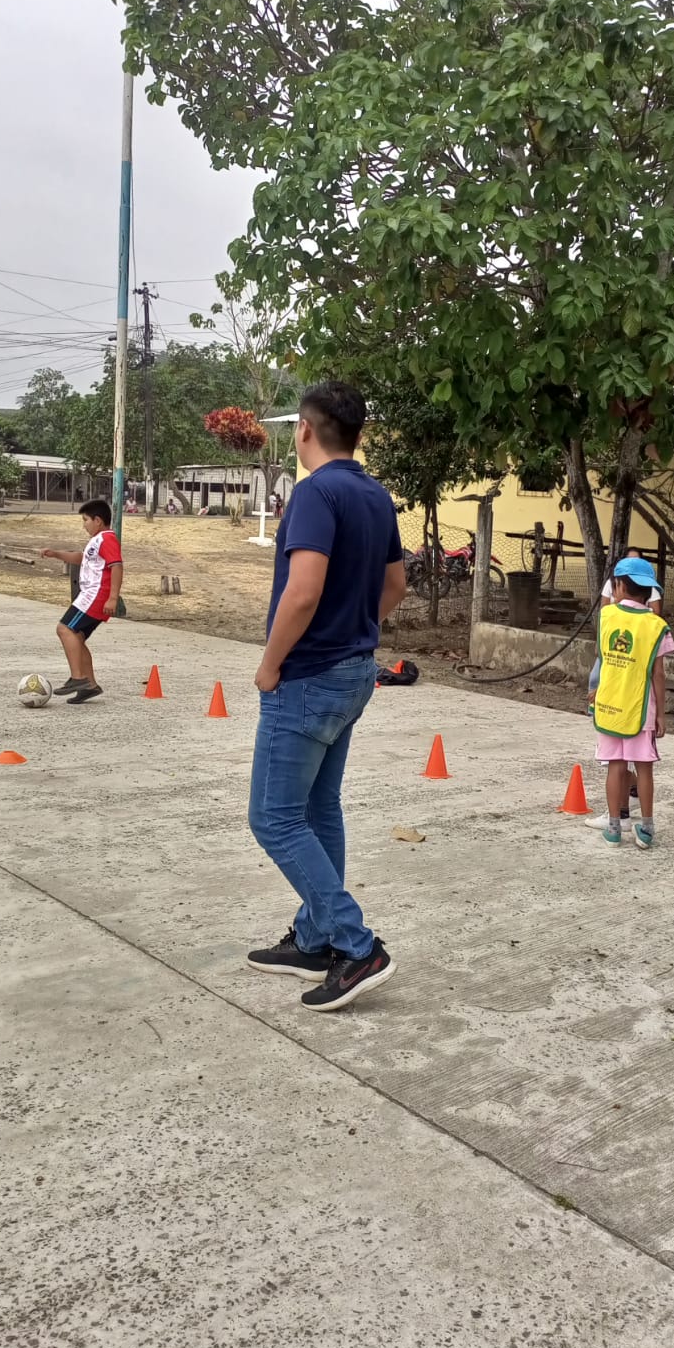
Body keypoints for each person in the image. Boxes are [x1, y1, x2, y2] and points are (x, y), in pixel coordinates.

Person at [246, 381, 407, 1013]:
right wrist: (355, 629)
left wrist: (270, 664)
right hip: (354, 670)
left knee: (273, 817)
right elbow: (394, 585)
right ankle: (315, 939)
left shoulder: (315, 493)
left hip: (308, 675)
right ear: (358, 435)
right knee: (318, 808)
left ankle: (355, 944)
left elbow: (304, 590)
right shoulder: (374, 495)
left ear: (305, 430)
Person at [590, 556, 674, 850]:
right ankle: (647, 828)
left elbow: (603, 658)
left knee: (615, 766)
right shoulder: (656, 625)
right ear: (648, 591)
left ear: (619, 585)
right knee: (644, 768)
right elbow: (658, 673)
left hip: (609, 705)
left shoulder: (606, 616)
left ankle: (614, 828)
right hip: (642, 708)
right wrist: (661, 714)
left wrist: (596, 690)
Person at [40, 499, 122, 704]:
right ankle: (90, 686)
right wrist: (56, 554)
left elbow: (117, 566)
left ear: (98, 520)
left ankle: (78, 678)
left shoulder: (107, 538)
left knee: (64, 629)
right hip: (90, 595)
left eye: (85, 520)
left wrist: (113, 598)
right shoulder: (97, 540)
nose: (84, 525)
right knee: (76, 637)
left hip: (96, 595)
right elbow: (81, 558)